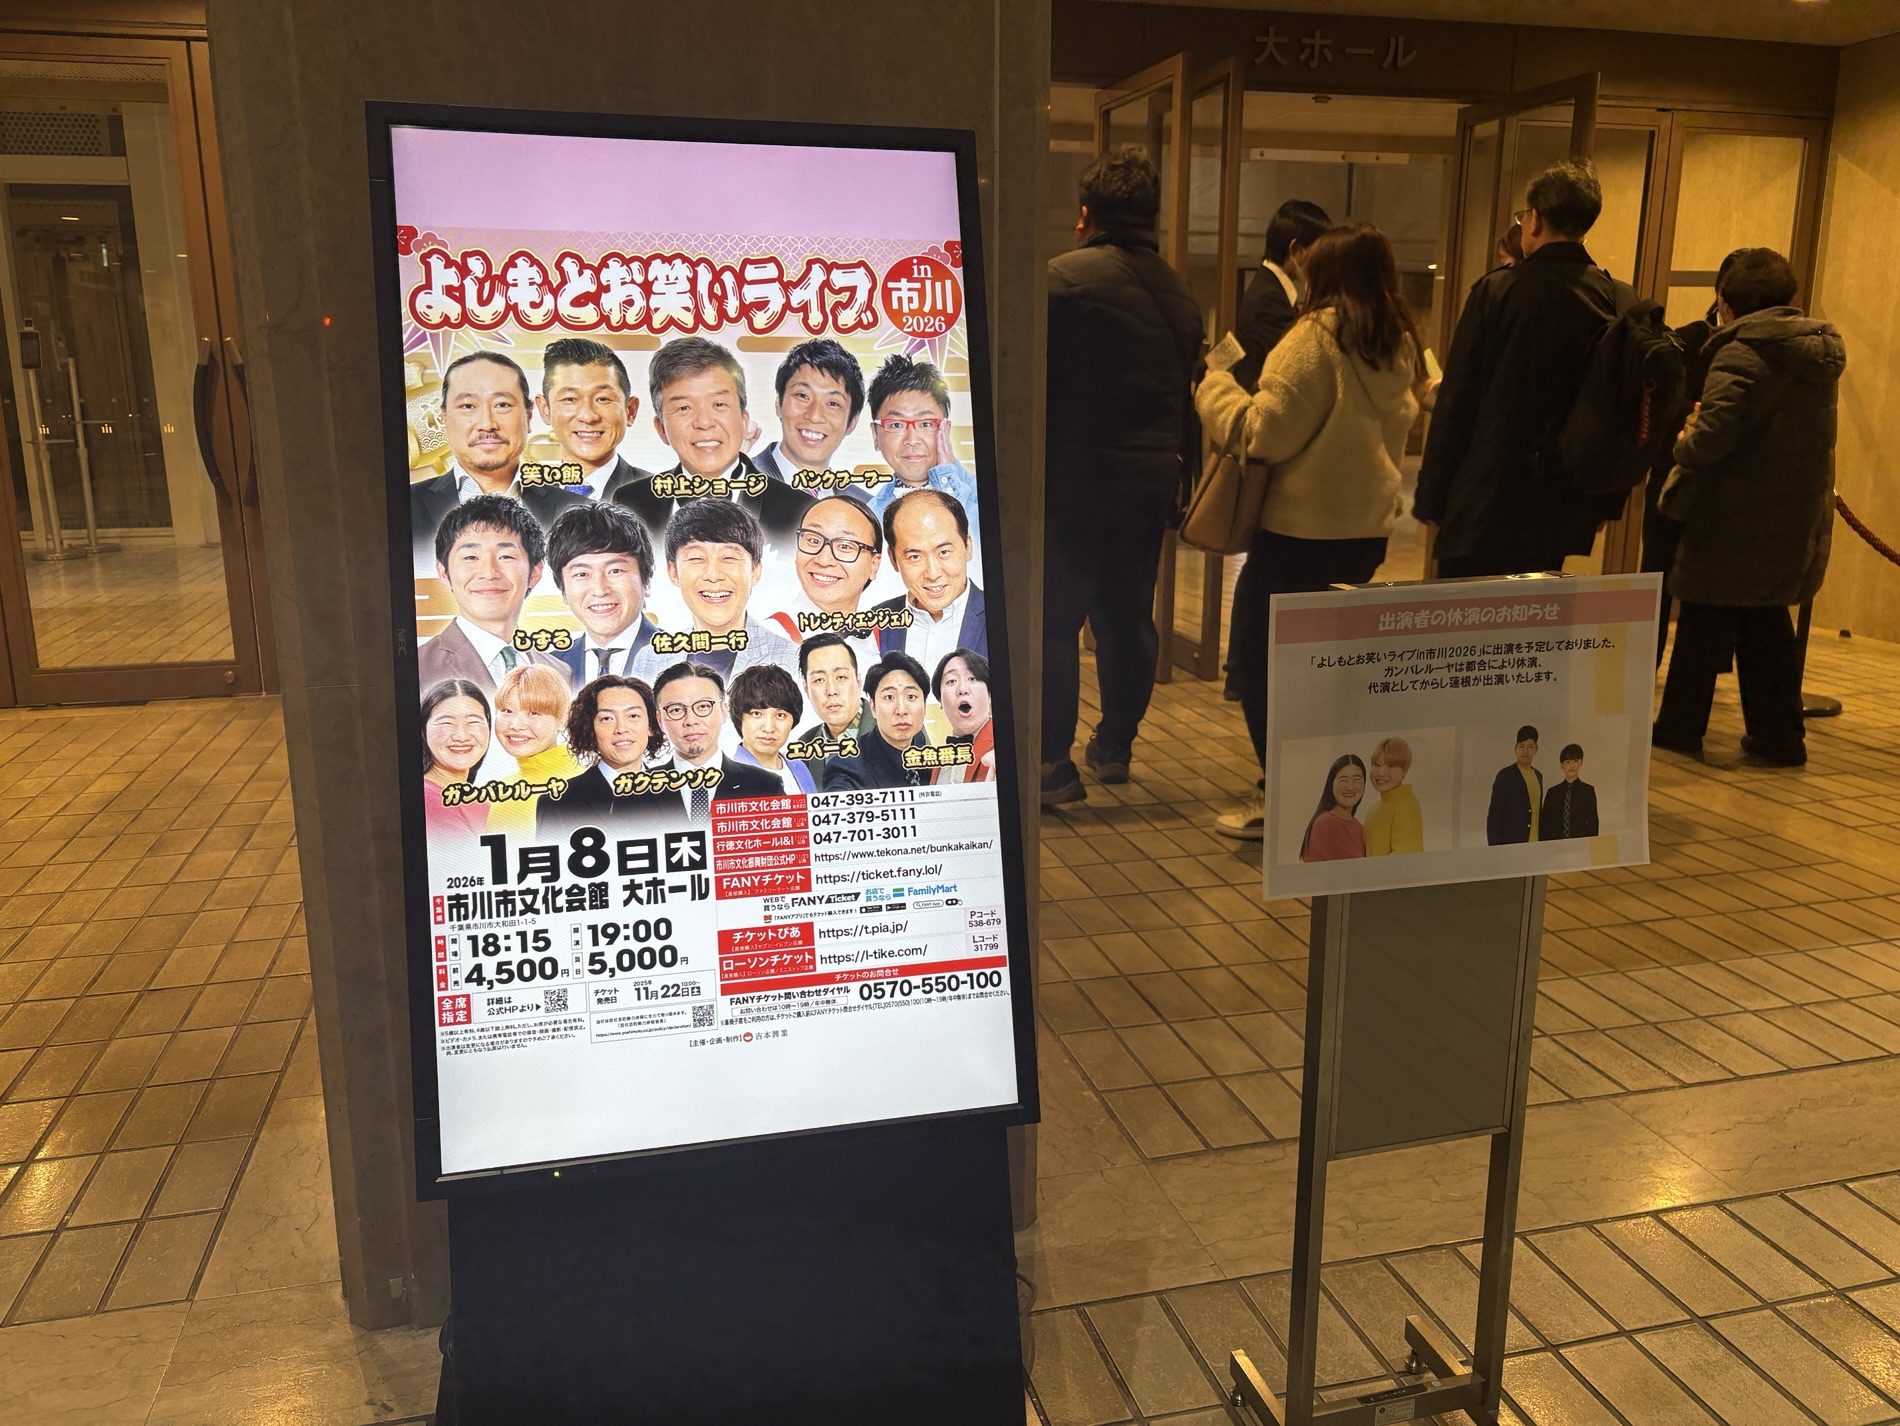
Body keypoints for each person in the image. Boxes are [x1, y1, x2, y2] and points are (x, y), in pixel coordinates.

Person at [1195, 223, 1421, 840]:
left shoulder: (1315, 338)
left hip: (1299, 535)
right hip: (1363, 533)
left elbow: (1263, 431)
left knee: (1261, 666)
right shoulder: (1394, 342)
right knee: (1326, 672)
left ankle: (1289, 798)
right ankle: (1325, 792)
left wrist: (1214, 389)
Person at [1041, 151, 1203, 806]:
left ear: (1086, 215)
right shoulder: (1180, 295)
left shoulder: (1060, 280)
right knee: (1128, 618)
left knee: (1055, 622)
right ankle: (1114, 746)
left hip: (1072, 481)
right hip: (1148, 483)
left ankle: (1051, 766)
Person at [1653, 247, 1844, 767]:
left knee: (1701, 617)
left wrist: (1685, 438)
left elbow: (1711, 437)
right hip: (1790, 513)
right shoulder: (1818, 355)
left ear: (1725, 301)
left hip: (1731, 516)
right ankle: (1779, 736)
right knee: (1766, 622)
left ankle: (1679, 728)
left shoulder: (1740, 352)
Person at [1415, 160, 1629, 577]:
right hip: (1564, 500)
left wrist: (1433, 498)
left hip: (1486, 497)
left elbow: (1457, 401)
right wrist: (1607, 500)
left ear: (1536, 220)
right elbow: (1620, 408)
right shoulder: (1615, 299)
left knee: (1470, 612)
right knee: (1538, 612)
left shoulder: (1497, 292)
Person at [1223, 198, 1332, 701]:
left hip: (1274, 450)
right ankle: (1243, 673)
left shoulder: (1276, 294)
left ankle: (1245, 670)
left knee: (1262, 573)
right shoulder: (1270, 299)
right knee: (1262, 573)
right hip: (1267, 449)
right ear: (1296, 249)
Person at [611, 336, 816, 551]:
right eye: (684, 408)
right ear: (661, 429)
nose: (704, 423)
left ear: (744, 420)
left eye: (719, 404)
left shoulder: (800, 509)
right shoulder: (630, 502)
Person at [410, 351, 587, 563]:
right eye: (468, 406)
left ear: (528, 416)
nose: (487, 424)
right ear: (445, 419)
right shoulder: (402, 507)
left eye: (502, 405)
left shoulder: (580, 513)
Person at [630, 500, 798, 686]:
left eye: (729, 557)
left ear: (755, 570)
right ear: (673, 572)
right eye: (696, 558)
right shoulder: (649, 660)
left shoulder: (791, 659)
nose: (713, 575)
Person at [417, 495, 569, 695]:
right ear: (444, 572)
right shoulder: (417, 668)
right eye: (471, 557)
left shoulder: (561, 672)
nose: (489, 573)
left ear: (534, 573)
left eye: (505, 557)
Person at [538, 674, 672, 832]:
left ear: (651, 726)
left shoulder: (674, 792)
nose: (621, 729)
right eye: (607, 719)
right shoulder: (559, 803)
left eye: (633, 716)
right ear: (590, 730)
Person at [862, 355, 979, 529]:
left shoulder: (984, 492)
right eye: (896, 425)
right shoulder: (870, 518)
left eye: (925, 424)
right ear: (875, 435)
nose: (912, 440)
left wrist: (947, 478)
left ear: (945, 430)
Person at [545, 502, 658, 684]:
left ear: (646, 581)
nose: (600, 590)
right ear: (563, 591)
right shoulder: (550, 669)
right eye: (582, 574)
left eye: (615, 571)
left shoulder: (681, 655)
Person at [871, 489, 987, 665]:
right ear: (893, 560)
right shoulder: (877, 621)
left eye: (944, 552)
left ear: (967, 546)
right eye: (915, 557)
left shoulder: (1002, 614)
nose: (933, 574)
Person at [766, 495, 884, 668]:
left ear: (874, 565)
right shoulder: (770, 638)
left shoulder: (886, 639)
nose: (824, 560)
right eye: (813, 540)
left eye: (845, 546)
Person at [534, 336, 655, 502]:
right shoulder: (523, 499)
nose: (588, 416)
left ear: (630, 410)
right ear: (545, 409)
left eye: (603, 399)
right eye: (570, 399)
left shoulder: (660, 497)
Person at [652, 662, 781, 817]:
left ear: (724, 711)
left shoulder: (766, 786)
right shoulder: (636, 790)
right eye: (676, 710)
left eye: (703, 706)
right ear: (660, 721)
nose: (691, 720)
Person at [1232, 198, 1331, 391]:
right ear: (1295, 249)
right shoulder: (1270, 299)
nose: (1322, 262)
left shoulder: (1269, 288)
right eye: (1319, 251)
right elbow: (1296, 366)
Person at [487, 665, 582, 839]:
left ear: (563, 719)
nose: (516, 725)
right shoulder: (502, 790)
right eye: (507, 711)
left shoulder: (579, 786)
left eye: (534, 713)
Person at [752, 338, 865, 483]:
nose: (815, 416)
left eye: (833, 403)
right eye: (802, 396)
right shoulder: (734, 482)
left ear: (852, 423)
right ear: (779, 403)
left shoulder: (860, 497)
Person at [825, 653, 931, 791]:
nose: (901, 710)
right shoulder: (845, 771)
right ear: (873, 707)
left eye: (911, 697)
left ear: (924, 705)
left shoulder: (920, 742)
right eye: (889, 697)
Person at [791, 633, 871, 789]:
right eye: (819, 680)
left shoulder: (898, 729)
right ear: (806, 689)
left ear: (858, 681)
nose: (831, 690)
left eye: (840, 677)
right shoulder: (804, 746)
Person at [421, 679, 492, 841]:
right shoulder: (429, 800)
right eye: (446, 723)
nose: (461, 736)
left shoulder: (482, 802)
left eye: (473, 722)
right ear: (423, 731)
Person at [728, 664, 815, 795]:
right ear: (739, 717)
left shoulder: (799, 767)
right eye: (757, 714)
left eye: (780, 715)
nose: (769, 728)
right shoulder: (727, 778)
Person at [934, 648, 994, 786]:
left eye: (972, 678)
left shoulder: (1010, 745)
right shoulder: (936, 762)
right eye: (951, 681)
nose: (962, 689)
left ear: (990, 694)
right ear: (941, 701)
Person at [1300, 755, 1367, 862]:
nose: (1350, 787)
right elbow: (1357, 868)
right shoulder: (1326, 823)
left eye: (1356, 780)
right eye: (1343, 780)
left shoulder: (1358, 826)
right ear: (1331, 784)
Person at [1363, 736, 1423, 856]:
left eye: (1391, 766)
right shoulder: (1373, 810)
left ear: (1404, 771)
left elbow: (1403, 860)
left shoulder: (1407, 804)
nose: (1381, 773)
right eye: (1377, 765)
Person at [1486, 726, 1543, 845]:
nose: (1525, 751)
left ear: (1536, 749)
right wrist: (1495, 849)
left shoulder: (1538, 776)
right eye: (1521, 746)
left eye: (1530, 746)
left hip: (1536, 845)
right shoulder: (1505, 775)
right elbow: (1494, 818)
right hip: (1512, 845)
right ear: (1515, 748)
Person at [1541, 743, 1599, 839]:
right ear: (1562, 765)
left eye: (1575, 761)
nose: (1572, 766)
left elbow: (1593, 824)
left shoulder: (1588, 791)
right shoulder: (1552, 793)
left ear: (1581, 762)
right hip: (1556, 845)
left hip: (1580, 844)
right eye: (1568, 762)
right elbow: (1545, 825)